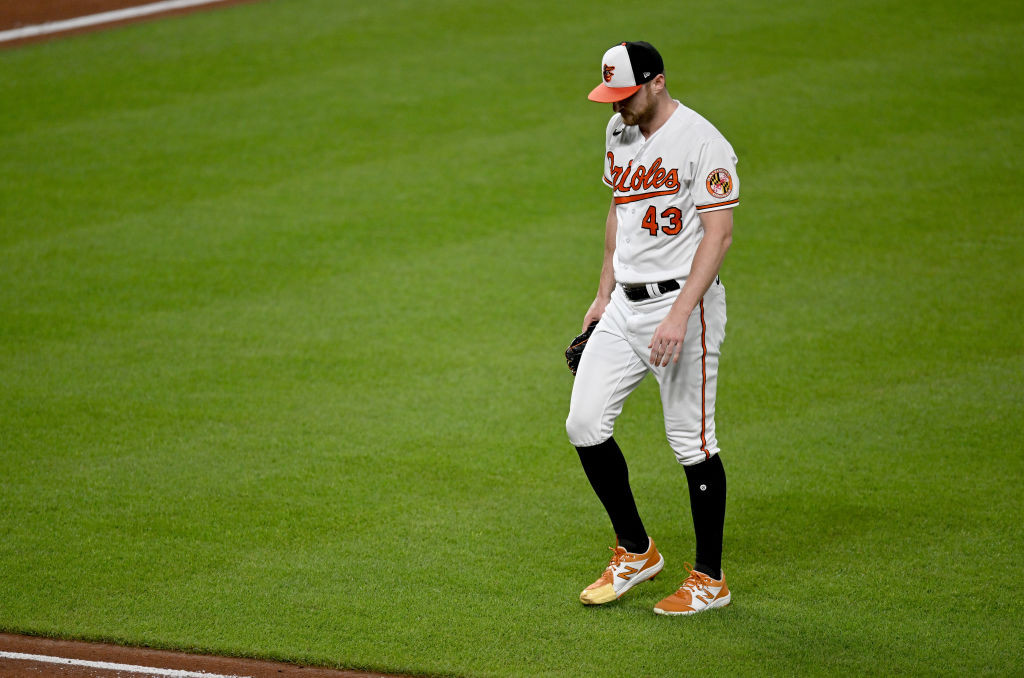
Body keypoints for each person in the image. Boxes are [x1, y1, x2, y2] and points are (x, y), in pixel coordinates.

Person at [565, 41, 739, 616]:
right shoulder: (619, 133)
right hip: (624, 307)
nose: (617, 108)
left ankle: (710, 580)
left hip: (684, 309)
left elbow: (718, 236)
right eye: (610, 98)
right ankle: (637, 551)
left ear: (657, 82)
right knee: (584, 423)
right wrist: (601, 293)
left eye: (627, 95)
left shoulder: (703, 143)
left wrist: (680, 314)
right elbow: (619, 210)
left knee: (691, 443)